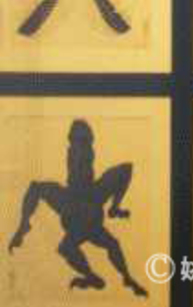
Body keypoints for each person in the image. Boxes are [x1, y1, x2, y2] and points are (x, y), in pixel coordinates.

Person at [8, 120, 148, 297]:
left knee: (98, 244)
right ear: (70, 148)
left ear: (90, 149)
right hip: (76, 205)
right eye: (76, 142)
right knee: (72, 244)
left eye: (85, 143)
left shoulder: (94, 187)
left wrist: (115, 206)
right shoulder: (69, 190)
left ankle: (122, 277)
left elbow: (126, 169)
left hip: (87, 201)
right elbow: (38, 189)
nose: (81, 150)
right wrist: (23, 225)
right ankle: (95, 277)